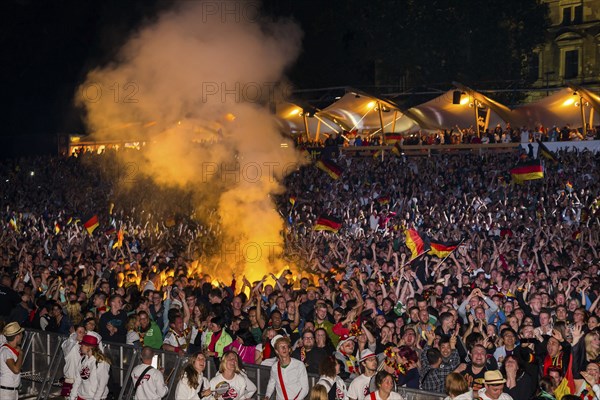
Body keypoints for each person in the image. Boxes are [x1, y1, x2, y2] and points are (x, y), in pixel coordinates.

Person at [264, 335, 309, 400]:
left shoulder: (299, 365)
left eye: (285, 346)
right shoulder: (274, 367)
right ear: (276, 351)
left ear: (289, 349)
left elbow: (305, 388)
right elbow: (271, 383)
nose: (284, 348)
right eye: (281, 346)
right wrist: (267, 396)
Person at [70, 334, 111, 400]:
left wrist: (96, 398)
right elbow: (78, 379)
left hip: (94, 397)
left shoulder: (101, 362)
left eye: (82, 345)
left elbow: (102, 384)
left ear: (89, 347)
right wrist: (72, 396)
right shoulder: (83, 359)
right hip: (81, 395)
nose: (80, 346)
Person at [0, 322, 25, 400]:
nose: (22, 336)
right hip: (6, 393)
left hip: (11, 391)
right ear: (17, 337)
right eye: (21, 334)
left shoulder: (9, 349)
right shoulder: (6, 351)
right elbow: (16, 369)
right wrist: (20, 354)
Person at [61, 324, 86, 397]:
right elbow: (71, 342)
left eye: (84, 332)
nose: (82, 334)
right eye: (80, 332)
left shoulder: (86, 347)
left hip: (82, 381)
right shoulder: (67, 344)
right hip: (71, 380)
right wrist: (73, 334)